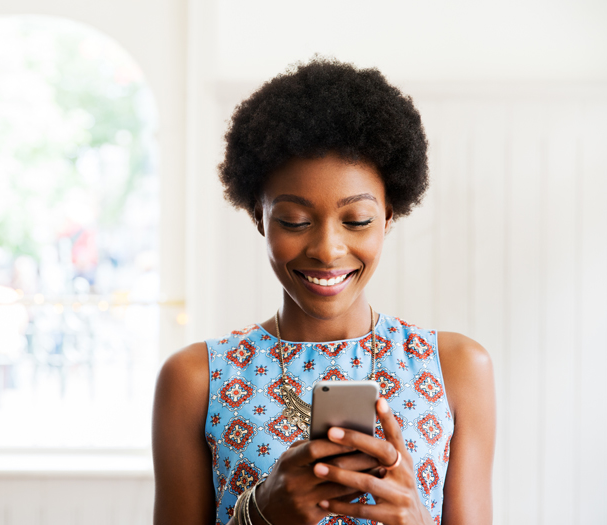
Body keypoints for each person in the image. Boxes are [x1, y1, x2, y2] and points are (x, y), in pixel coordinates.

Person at [152, 57, 495, 525]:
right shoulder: (194, 379)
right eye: (294, 221)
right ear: (259, 217)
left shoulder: (456, 369)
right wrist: (261, 514)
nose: (328, 250)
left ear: (389, 216)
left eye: (357, 221)